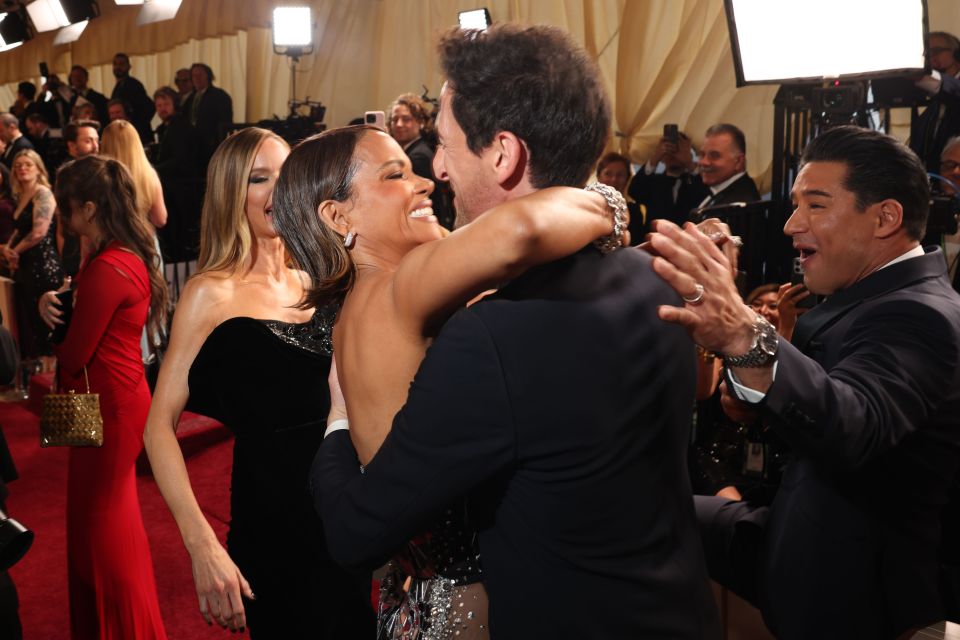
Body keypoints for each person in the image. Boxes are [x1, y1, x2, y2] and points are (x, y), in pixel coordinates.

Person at [301, 24, 720, 639]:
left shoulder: (488, 337)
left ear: (502, 153)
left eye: (442, 146)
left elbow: (357, 532)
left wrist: (335, 431)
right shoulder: (655, 277)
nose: (435, 170)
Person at [274, 121, 618, 638]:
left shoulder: (354, 309)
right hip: (468, 605)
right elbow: (519, 231)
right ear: (337, 215)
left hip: (411, 596)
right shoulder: (399, 287)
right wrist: (607, 205)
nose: (423, 183)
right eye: (394, 175)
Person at [649, 125, 960, 639]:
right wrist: (755, 400)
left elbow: (853, 422)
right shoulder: (875, 299)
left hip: (855, 595)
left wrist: (746, 334)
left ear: (885, 217)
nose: (792, 225)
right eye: (795, 205)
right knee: (641, 503)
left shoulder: (919, 315)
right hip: (800, 541)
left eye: (815, 205)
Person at [142, 128, 376, 638]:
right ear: (231, 191)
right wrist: (201, 543)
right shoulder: (211, 293)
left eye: (285, 175)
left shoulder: (317, 278)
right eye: (258, 178)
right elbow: (158, 427)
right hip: (273, 526)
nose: (276, 191)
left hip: (342, 512)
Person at [38, 155, 169, 639]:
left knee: (101, 524)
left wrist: (49, 321)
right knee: (112, 517)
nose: (62, 216)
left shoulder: (108, 267)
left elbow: (73, 355)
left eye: (67, 207)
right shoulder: (117, 257)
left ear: (89, 209)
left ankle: (125, 627)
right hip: (119, 398)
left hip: (106, 410)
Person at [2, 150, 63, 360]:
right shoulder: (21, 196)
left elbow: (39, 232)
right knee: (33, 325)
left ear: (38, 168)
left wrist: (14, 251)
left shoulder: (43, 193)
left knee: (46, 326)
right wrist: (8, 249)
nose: (22, 169)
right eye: (18, 165)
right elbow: (20, 229)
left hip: (43, 266)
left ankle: (53, 380)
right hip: (26, 266)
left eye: (28, 164)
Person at [628, 130, 709, 227]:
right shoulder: (653, 182)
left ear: (689, 155)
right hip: (655, 238)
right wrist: (655, 157)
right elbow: (634, 191)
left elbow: (708, 194)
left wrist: (689, 163)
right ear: (662, 157)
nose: (673, 155)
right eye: (669, 151)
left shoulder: (695, 183)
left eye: (678, 151)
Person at [100, 120, 167, 232]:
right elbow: (160, 220)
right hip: (143, 240)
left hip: (111, 242)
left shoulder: (98, 177)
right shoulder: (149, 175)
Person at [911, 31, 960, 173]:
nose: (930, 58)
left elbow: (953, 90)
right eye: (926, 53)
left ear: (957, 54)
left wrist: (922, 76)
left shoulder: (950, 89)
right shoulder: (932, 105)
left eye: (936, 51)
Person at [595, 151, 644, 243]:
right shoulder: (588, 206)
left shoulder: (634, 211)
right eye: (608, 174)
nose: (614, 179)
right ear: (598, 176)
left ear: (627, 179)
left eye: (620, 175)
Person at [110, 53, 155, 145]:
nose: (118, 67)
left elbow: (150, 107)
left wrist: (134, 125)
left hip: (137, 135)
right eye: (115, 64)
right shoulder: (118, 86)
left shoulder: (134, 85)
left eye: (121, 64)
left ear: (129, 67)